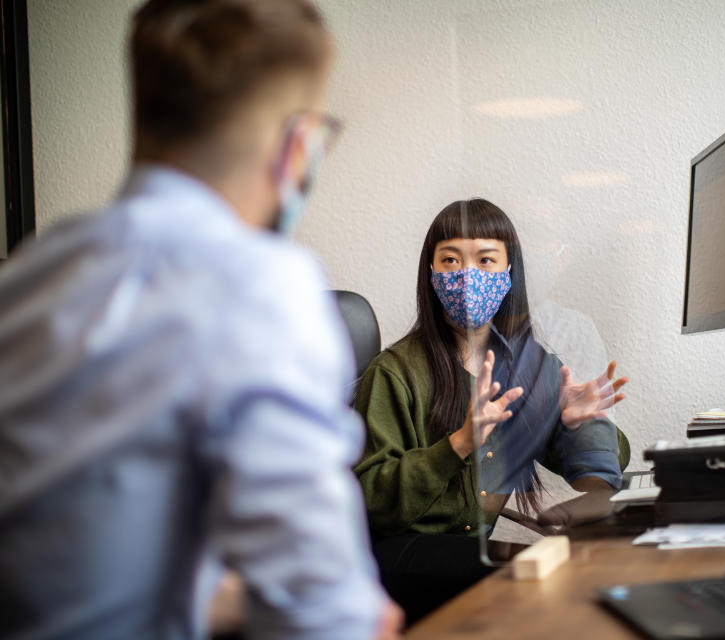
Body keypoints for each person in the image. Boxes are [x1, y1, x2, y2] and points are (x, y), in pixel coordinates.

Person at [0, 1, 401, 638]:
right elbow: (326, 620)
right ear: (300, 146)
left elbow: (81, 558)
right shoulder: (261, 285)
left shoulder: (31, 274)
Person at [354, 198, 630, 622]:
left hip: (471, 549)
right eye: (450, 260)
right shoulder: (393, 372)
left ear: (508, 273)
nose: (468, 276)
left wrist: (581, 424)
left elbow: (597, 474)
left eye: (486, 260)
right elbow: (368, 499)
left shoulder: (530, 365)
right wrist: (459, 444)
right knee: (528, 588)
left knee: (579, 575)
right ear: (430, 274)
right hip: (394, 554)